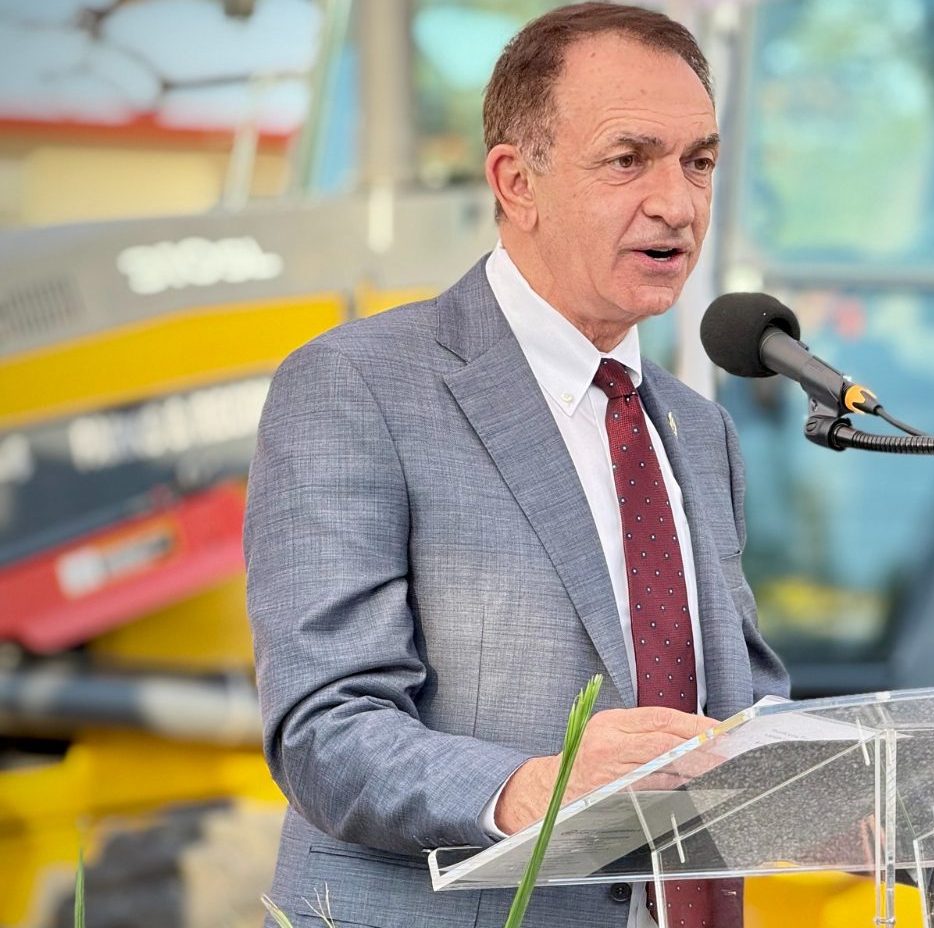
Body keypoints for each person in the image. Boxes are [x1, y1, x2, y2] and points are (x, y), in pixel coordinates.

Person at [243, 5, 788, 927]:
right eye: (629, 159)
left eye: (698, 162)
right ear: (515, 181)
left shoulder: (697, 430)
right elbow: (323, 727)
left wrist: (869, 769)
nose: (677, 203)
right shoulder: (356, 385)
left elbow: (734, 705)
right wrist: (538, 786)